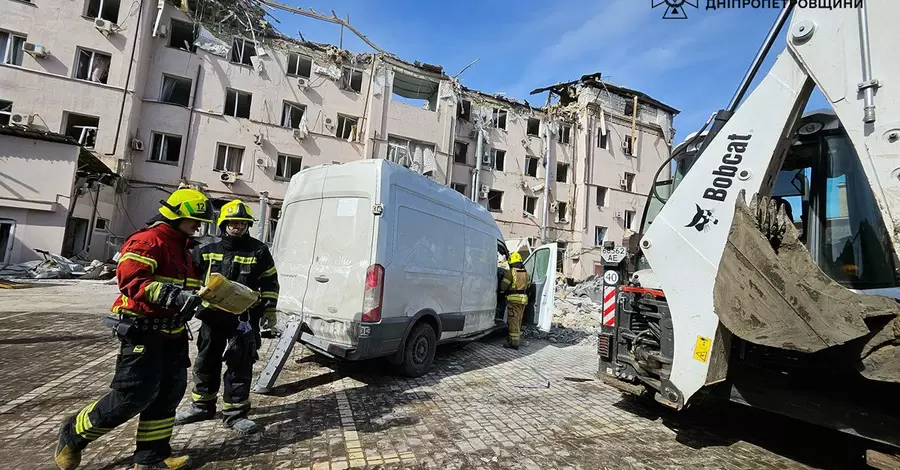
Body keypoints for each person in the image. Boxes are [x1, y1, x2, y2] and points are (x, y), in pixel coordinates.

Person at [54, 188, 213, 470]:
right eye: (193, 220)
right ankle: (73, 434)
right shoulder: (147, 241)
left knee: (168, 393)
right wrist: (174, 297)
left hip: (173, 333)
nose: (197, 226)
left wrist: (203, 298)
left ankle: (151, 457)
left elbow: (187, 288)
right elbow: (132, 281)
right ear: (174, 216)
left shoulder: (184, 249)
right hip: (143, 330)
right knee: (133, 395)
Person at [174, 199, 279, 436]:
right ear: (223, 223)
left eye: (242, 223)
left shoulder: (259, 250)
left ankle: (236, 414)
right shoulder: (207, 248)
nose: (238, 227)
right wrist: (188, 299)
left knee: (240, 364)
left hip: (243, 319)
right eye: (233, 222)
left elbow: (270, 282)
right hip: (212, 316)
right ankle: (201, 406)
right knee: (206, 360)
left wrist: (268, 310)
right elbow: (191, 278)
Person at [500, 251, 530, 350]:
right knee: (518, 321)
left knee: (512, 321)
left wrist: (502, 290)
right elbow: (528, 285)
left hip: (513, 301)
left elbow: (503, 286)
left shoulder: (511, 272)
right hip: (523, 301)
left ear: (511, 262)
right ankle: (514, 339)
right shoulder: (525, 273)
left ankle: (514, 343)